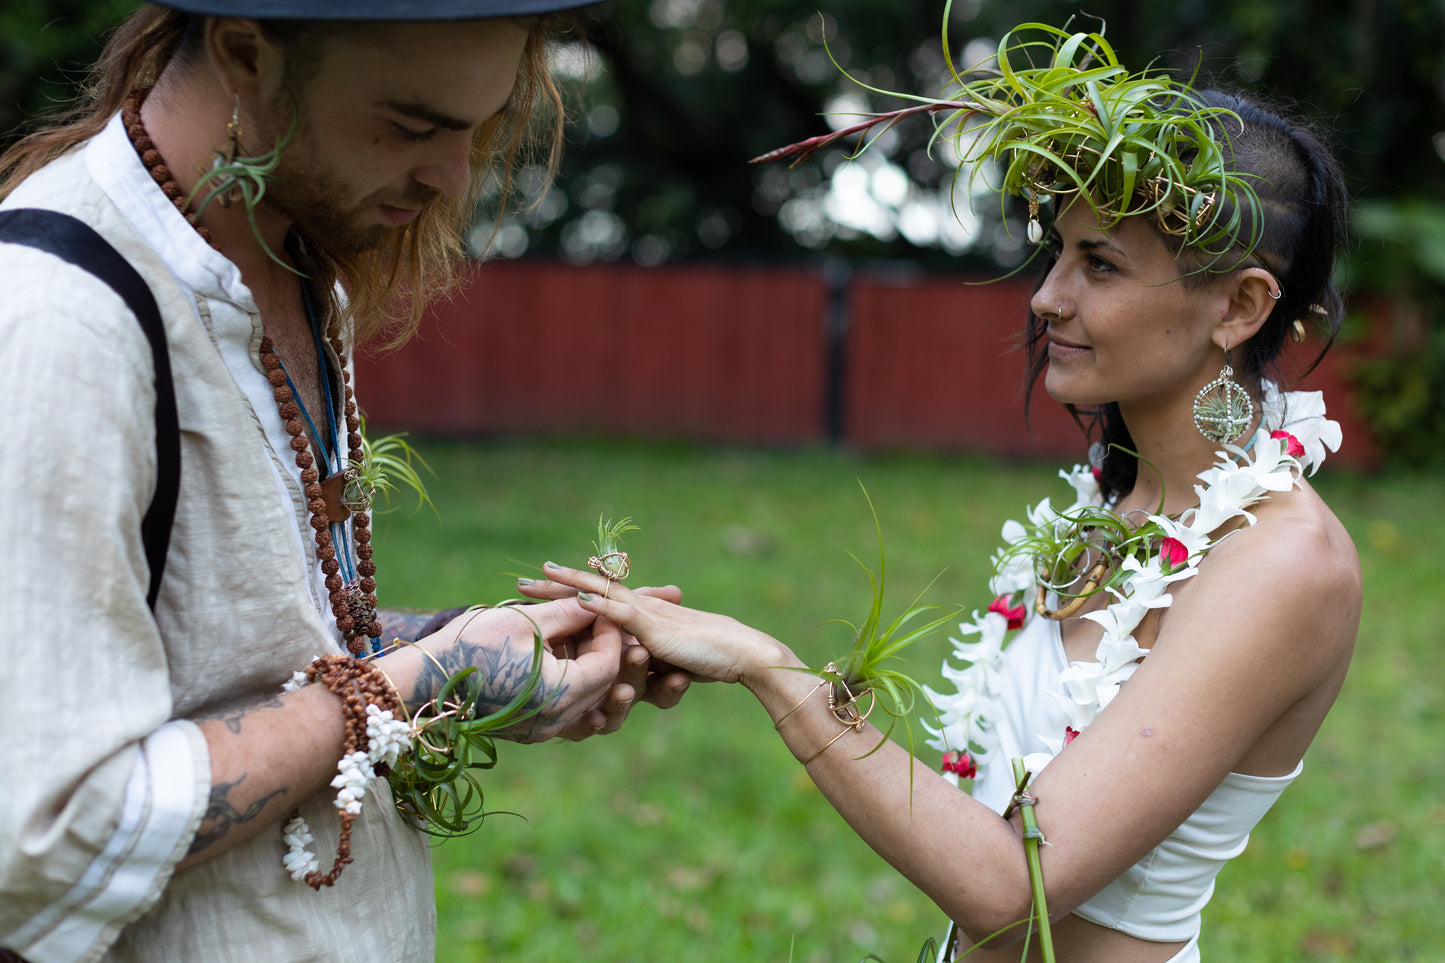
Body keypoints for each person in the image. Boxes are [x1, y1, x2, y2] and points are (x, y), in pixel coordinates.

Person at [529, 22, 1361, 963]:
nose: (1047, 297)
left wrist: (769, 668)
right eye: (1058, 251)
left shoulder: (1282, 562)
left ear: (1239, 306)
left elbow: (1011, 887)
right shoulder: (1111, 510)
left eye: (1100, 264)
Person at [0, 3, 687, 961]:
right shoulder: (61, 323)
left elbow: (238, 645)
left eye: (476, 129)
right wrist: (414, 680)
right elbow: (38, 841)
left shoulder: (287, 269)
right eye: (411, 125)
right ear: (247, 51)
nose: (453, 177)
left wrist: (469, 652)